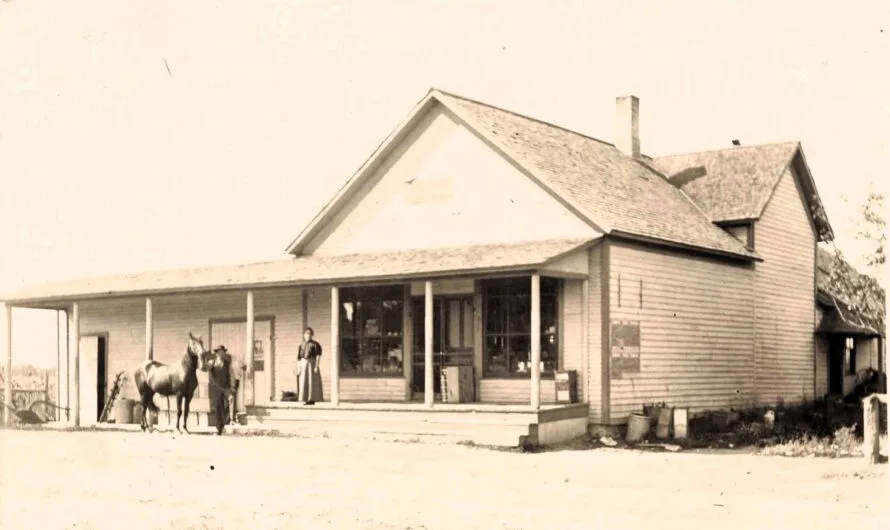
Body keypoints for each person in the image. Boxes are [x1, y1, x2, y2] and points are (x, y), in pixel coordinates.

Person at [207, 345, 236, 435]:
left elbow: (231, 375)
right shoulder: (212, 363)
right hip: (216, 388)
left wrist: (232, 386)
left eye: (222, 352)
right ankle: (219, 428)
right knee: (218, 407)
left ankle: (231, 420)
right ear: (216, 353)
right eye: (219, 352)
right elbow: (206, 372)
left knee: (230, 399)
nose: (221, 353)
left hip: (226, 387)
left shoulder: (227, 363)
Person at [296, 327, 323, 405]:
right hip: (303, 364)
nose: (308, 335)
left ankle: (312, 399)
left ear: (312, 335)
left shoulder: (315, 344)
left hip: (312, 364)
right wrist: (299, 367)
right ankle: (305, 399)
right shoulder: (301, 345)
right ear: (304, 335)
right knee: (304, 381)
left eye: (310, 334)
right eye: (306, 334)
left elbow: (318, 356)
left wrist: (316, 366)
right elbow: (298, 358)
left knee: (312, 381)